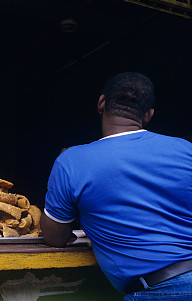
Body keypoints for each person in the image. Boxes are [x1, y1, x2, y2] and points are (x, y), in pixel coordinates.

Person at [41, 72, 192, 300]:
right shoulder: (186, 150)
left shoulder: (72, 161)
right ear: (149, 115)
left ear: (101, 103)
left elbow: (54, 237)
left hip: (162, 291)